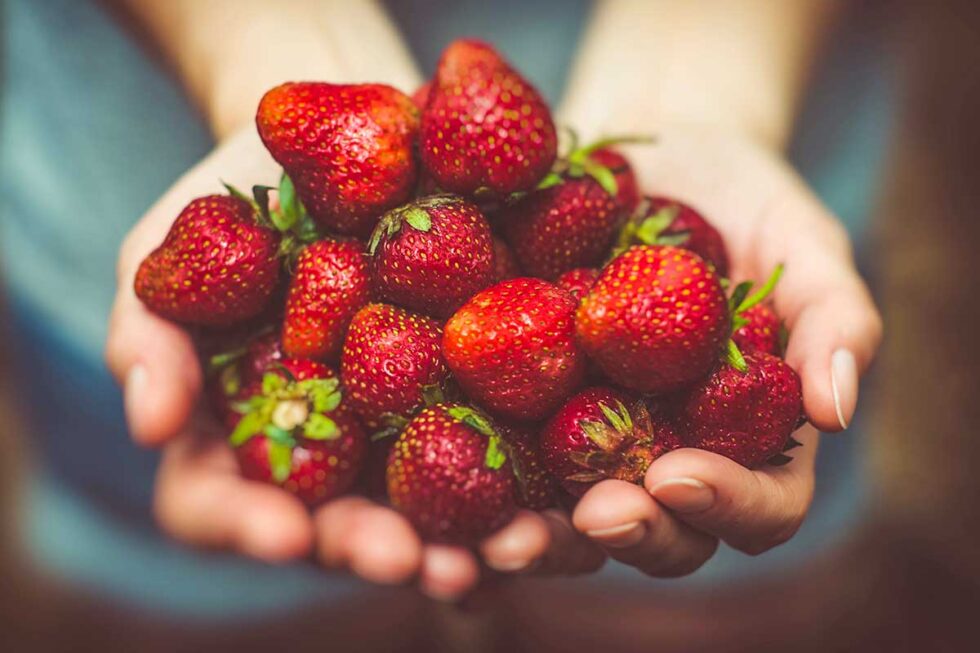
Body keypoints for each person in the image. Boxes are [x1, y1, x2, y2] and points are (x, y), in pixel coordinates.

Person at [2, 0, 882, 611]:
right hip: (114, 148)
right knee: (230, 614)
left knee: (698, 616)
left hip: (762, 67)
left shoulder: (567, 298)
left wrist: (700, 90)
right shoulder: (402, 293)